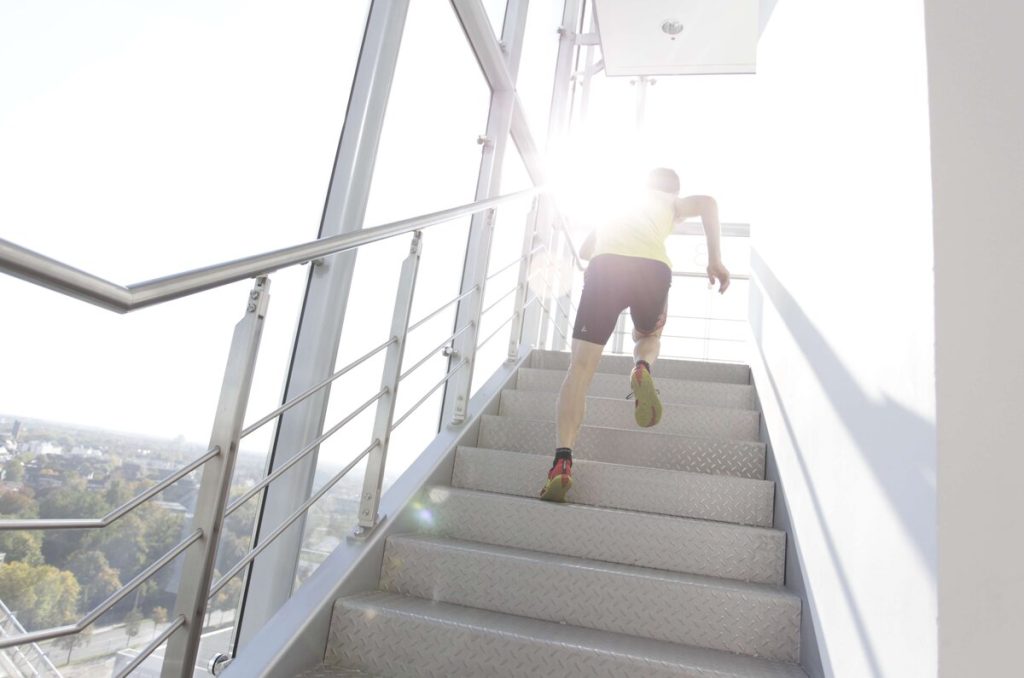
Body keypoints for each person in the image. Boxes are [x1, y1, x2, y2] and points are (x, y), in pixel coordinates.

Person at [540, 167, 731, 502]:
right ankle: (642, 366)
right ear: (673, 190)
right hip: (652, 269)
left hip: (606, 267)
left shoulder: (619, 205)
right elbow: (709, 204)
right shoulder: (670, 201)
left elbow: (586, 250)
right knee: (648, 335)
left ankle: (562, 461)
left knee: (580, 371)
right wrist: (714, 259)